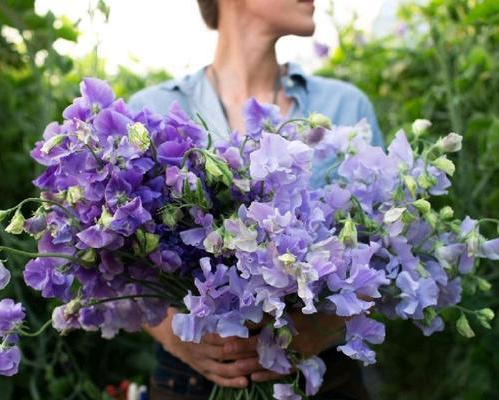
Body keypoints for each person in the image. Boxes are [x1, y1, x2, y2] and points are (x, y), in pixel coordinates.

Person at [128, 1, 383, 399]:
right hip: (192, 382)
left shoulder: (346, 109)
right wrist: (180, 339)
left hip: (322, 379)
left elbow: (380, 258)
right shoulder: (152, 114)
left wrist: (320, 330)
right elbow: (117, 262)